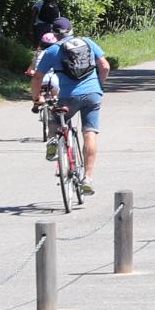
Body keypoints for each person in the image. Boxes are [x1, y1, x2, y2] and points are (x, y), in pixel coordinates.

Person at [30, 20, 111, 191]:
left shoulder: (52, 51)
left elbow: (37, 77)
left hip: (68, 97)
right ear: (72, 30)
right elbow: (104, 66)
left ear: (54, 33)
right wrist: (99, 85)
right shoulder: (88, 42)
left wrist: (37, 97)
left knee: (55, 119)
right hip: (93, 94)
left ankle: (53, 140)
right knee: (90, 133)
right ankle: (87, 178)